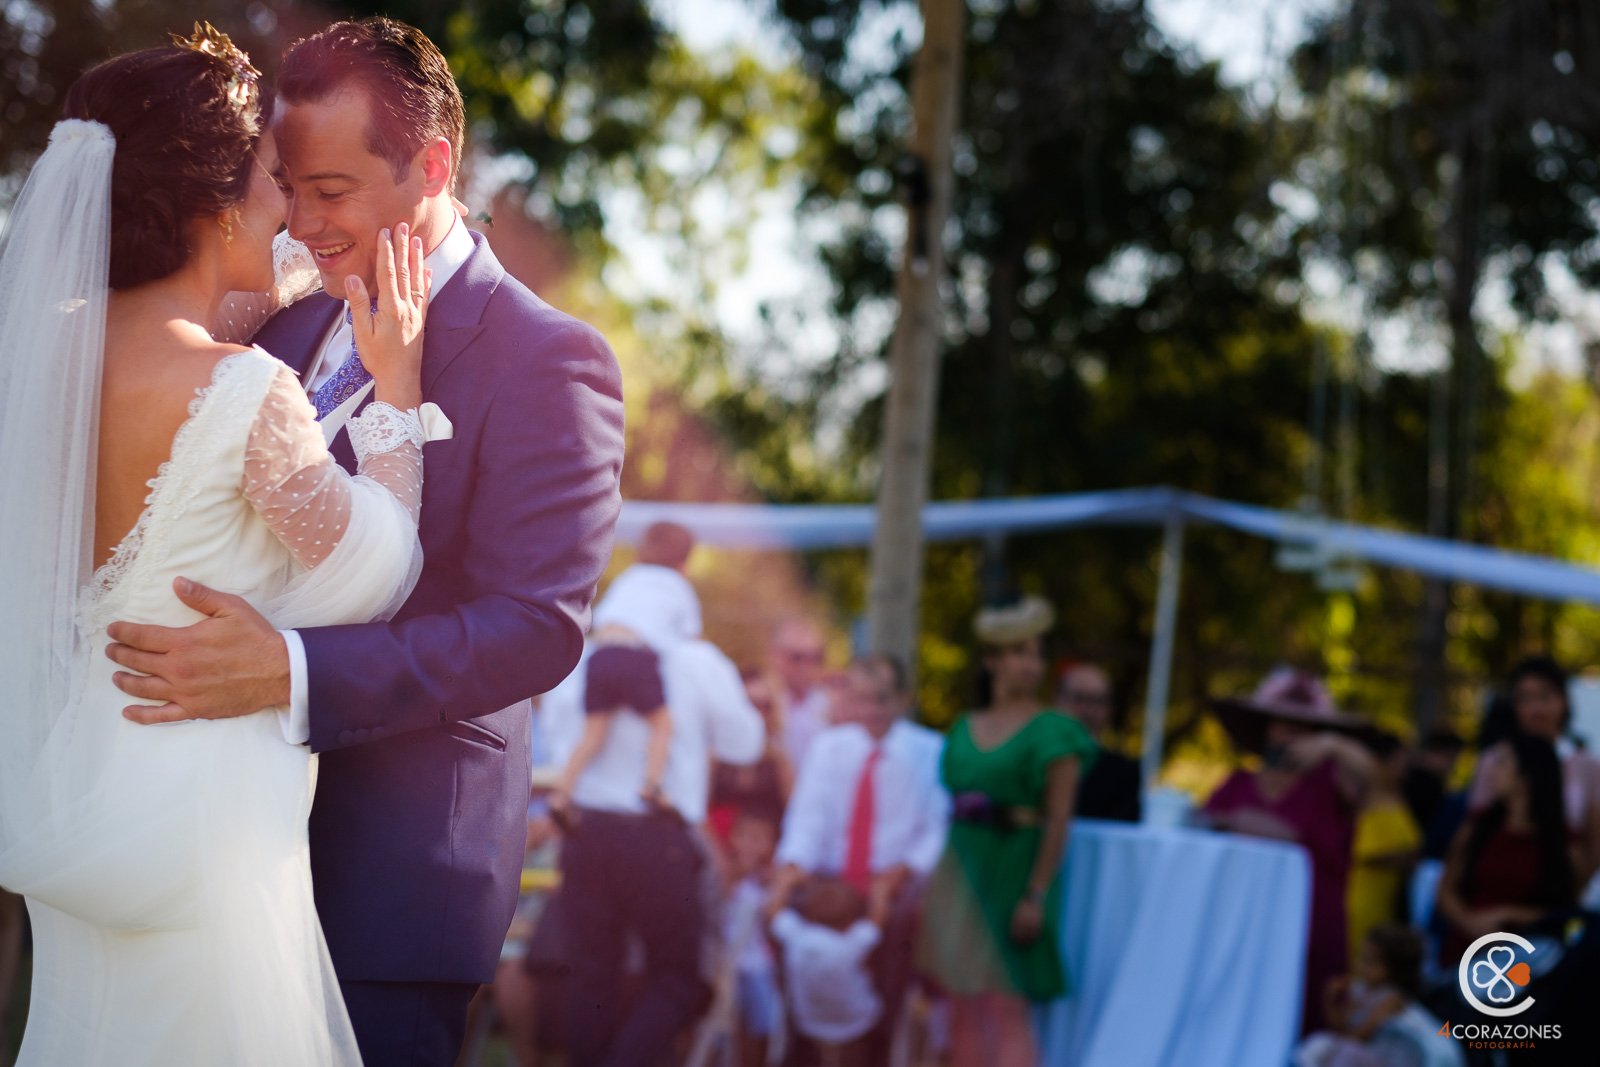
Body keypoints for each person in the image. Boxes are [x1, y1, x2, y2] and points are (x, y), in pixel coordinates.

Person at [97, 18, 626, 1064]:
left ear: (432, 166)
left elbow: (535, 628)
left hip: (392, 877)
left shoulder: (549, 359)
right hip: (212, 847)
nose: (301, 218)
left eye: (330, 190)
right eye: (287, 185)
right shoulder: (272, 328)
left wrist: (288, 670)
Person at [0, 28, 439, 1064]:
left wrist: (291, 273)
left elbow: (232, 283)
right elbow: (376, 568)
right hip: (203, 825)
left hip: (83, 799)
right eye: (271, 180)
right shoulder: (244, 390)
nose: (291, 209)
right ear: (214, 199)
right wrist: (399, 390)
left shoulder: (44, 360)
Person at [541, 562, 765, 1066]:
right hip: (657, 837)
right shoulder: (695, 660)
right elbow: (746, 745)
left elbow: (561, 747)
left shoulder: (579, 657)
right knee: (677, 978)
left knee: (591, 977)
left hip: (586, 833)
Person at [917, 597, 1095, 1067]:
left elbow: (1059, 819)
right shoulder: (963, 727)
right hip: (963, 864)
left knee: (1007, 1003)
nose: (1030, 664)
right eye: (1019, 652)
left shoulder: (1055, 731)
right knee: (962, 1000)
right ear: (993, 659)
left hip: (1015, 864)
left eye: (1036, 654)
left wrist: (1036, 894)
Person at [768, 654, 950, 1065]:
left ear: (903, 699)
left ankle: (877, 1046)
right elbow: (808, 818)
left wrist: (903, 871)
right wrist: (793, 867)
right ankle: (803, 1045)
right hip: (832, 880)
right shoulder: (830, 747)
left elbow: (935, 827)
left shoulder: (929, 751)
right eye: (860, 697)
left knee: (899, 932)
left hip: (892, 881)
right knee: (785, 917)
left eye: (880, 698)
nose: (869, 709)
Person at [1205, 668, 1376, 1034]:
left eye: (1304, 729)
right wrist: (1239, 823)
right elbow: (1203, 827)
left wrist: (1333, 745)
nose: (1291, 737)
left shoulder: (1334, 785)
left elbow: (1375, 780)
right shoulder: (1238, 784)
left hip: (1313, 925)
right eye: (1284, 726)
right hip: (1247, 926)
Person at [551, 522, 697, 822]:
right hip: (634, 656)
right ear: (683, 563)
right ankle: (652, 784)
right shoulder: (679, 586)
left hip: (601, 656)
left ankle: (561, 795)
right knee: (663, 724)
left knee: (592, 735)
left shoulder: (629, 578)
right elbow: (688, 639)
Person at [1435, 730, 1581, 964]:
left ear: (1527, 774)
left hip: (1530, 962)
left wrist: (1510, 915)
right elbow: (1445, 889)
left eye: (1502, 762)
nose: (1492, 769)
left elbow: (1571, 910)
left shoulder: (1562, 842)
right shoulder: (1478, 827)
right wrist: (1470, 922)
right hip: (1465, 955)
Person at [1465, 657, 1600, 889]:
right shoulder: (1497, 760)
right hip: (1494, 890)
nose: (1536, 708)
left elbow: (1594, 843)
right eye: (1525, 699)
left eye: (1545, 696)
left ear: (1564, 700)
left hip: (1559, 896)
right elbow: (1472, 834)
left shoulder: (1586, 767)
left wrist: (1567, 897)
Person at [1293, 925, 1462, 1067]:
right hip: (1365, 1053)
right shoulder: (1361, 990)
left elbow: (1359, 1037)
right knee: (1319, 1044)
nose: (1361, 966)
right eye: (1362, 958)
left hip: (1391, 1060)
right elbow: (1342, 1030)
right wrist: (1330, 1000)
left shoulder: (1392, 999)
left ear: (1395, 968)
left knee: (1343, 1052)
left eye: (1370, 962)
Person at [770, 879, 884, 1065]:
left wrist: (784, 883)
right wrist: (881, 893)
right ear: (850, 921)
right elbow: (877, 921)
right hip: (855, 1025)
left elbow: (774, 912)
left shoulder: (796, 937)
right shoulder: (851, 944)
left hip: (809, 1024)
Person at [1346, 732, 1421, 962]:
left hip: (1388, 899)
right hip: (1363, 896)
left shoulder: (1398, 795)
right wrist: (1407, 858)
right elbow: (1363, 852)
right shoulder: (1362, 798)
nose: (1403, 767)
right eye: (1397, 761)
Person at [1056, 662, 1141, 822]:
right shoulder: (1035, 760)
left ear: (1109, 709)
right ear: (1059, 700)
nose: (1087, 710)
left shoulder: (1124, 773)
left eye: (1098, 701)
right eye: (1079, 698)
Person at [770, 618, 832, 771]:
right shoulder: (762, 703)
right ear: (775, 655)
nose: (807, 666)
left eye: (815, 658)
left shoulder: (834, 707)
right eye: (796, 657)